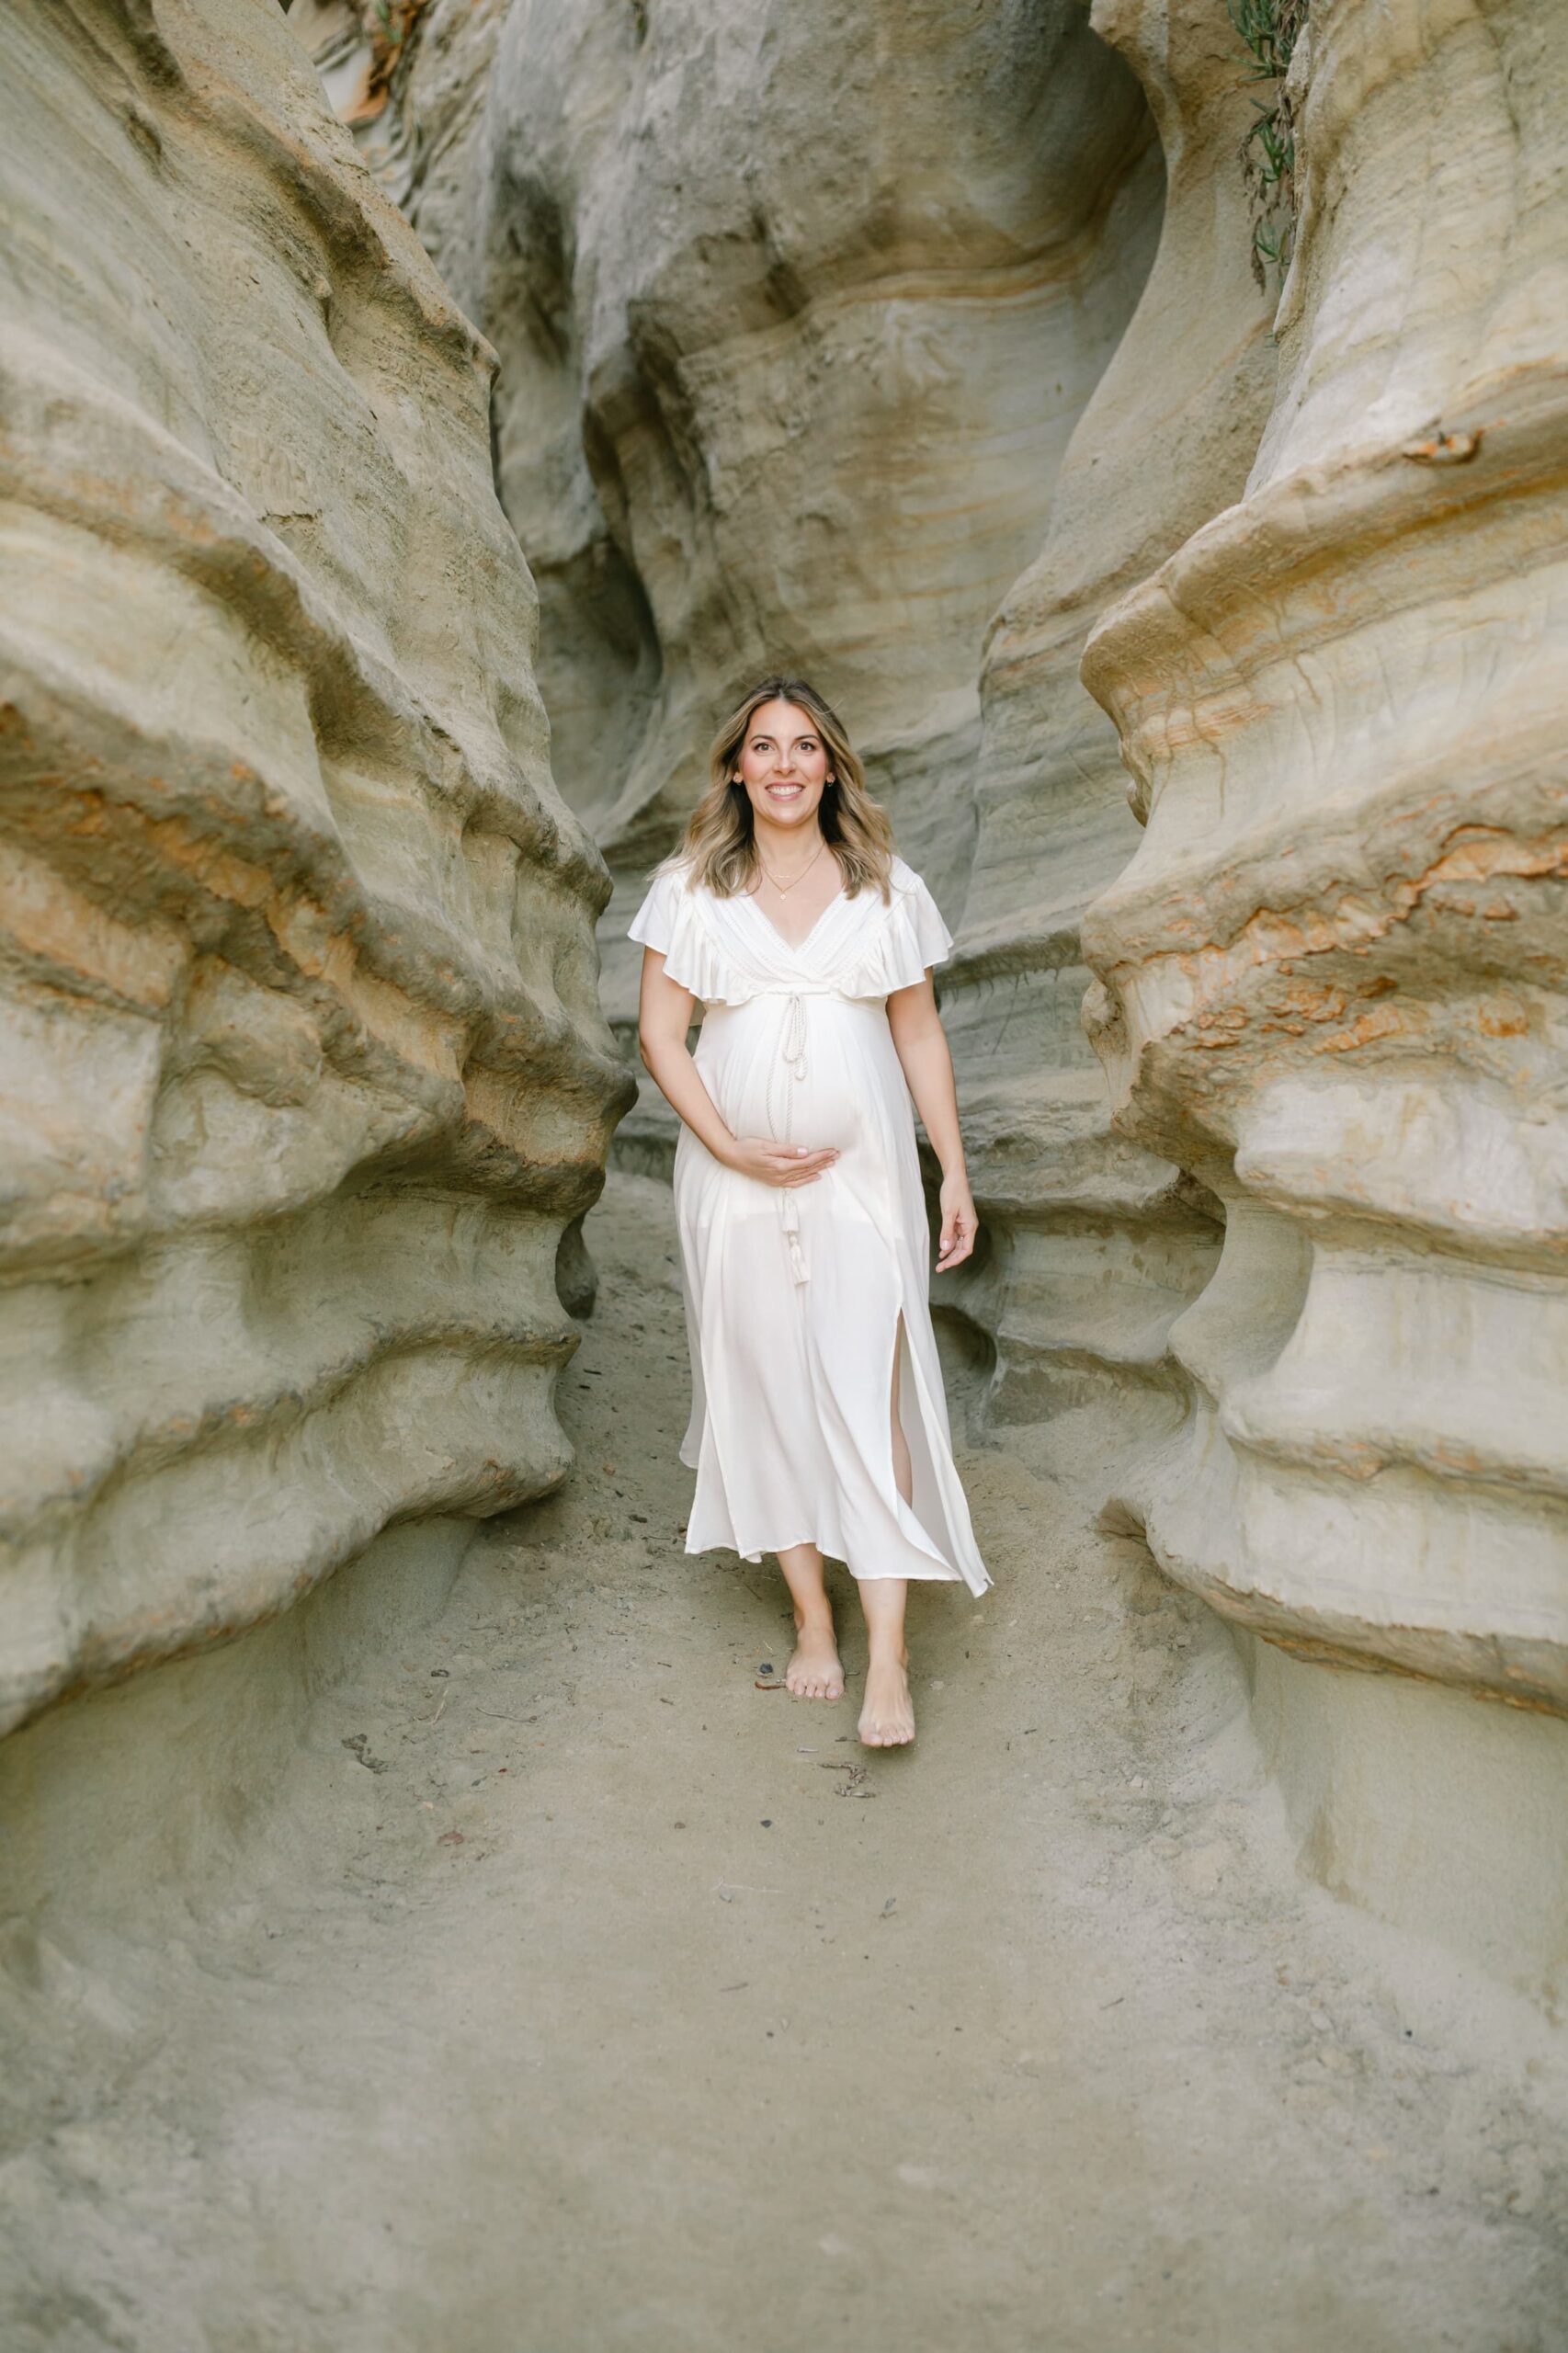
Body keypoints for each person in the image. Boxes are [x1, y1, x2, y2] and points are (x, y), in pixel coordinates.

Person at [630, 674, 992, 1748]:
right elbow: (660, 1034)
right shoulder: (689, 887)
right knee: (766, 1391)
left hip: (862, 1181)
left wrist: (952, 1173)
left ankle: (888, 1657)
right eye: (762, 747)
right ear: (735, 769)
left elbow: (918, 1035)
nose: (783, 765)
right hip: (731, 1189)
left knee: (864, 1396)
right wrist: (727, 1144)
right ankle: (811, 1623)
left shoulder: (885, 886)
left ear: (829, 765)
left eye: (802, 747)